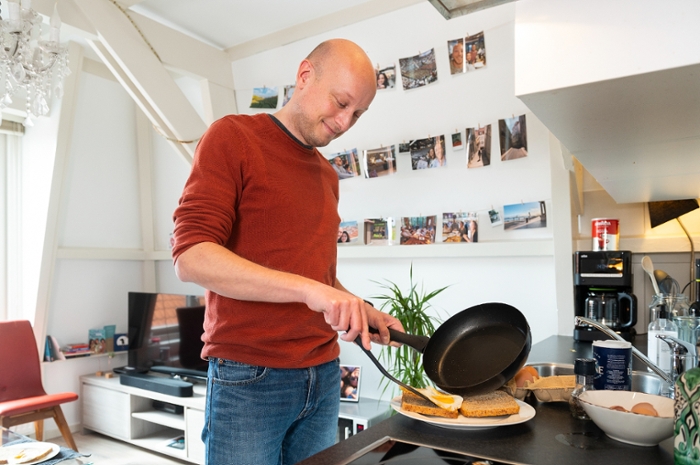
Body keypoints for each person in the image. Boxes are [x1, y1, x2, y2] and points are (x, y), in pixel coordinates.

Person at [171, 38, 404, 465]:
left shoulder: (327, 174)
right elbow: (192, 255)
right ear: (304, 76)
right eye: (341, 102)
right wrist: (313, 292)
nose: (345, 121)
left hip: (324, 373)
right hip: (250, 377)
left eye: (358, 114)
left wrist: (354, 303)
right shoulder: (233, 137)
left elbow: (313, 274)